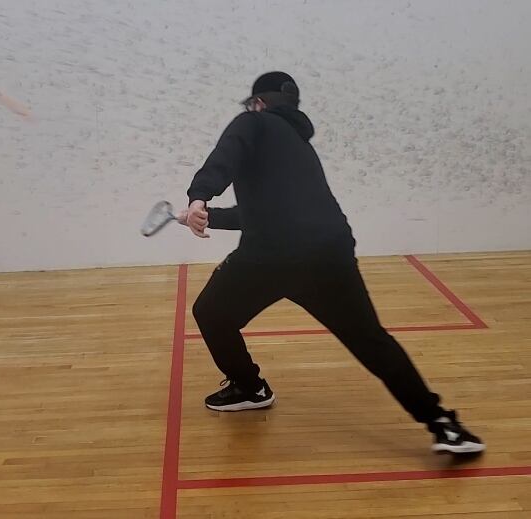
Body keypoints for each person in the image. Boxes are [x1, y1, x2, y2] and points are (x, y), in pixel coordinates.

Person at [176, 71, 485, 455]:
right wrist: (209, 215)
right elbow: (269, 211)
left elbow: (223, 158)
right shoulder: (300, 146)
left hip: (270, 256)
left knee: (210, 312)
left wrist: (199, 197)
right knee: (371, 340)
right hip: (330, 252)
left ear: (258, 102)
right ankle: (444, 425)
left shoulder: (250, 122)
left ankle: (251, 388)